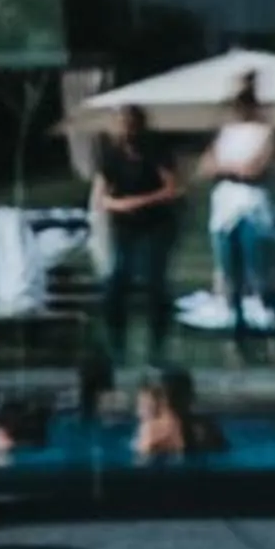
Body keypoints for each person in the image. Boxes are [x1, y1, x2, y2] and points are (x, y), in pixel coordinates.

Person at [96, 106, 184, 368]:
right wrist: (117, 205)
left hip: (155, 226)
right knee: (115, 285)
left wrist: (139, 201)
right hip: (125, 228)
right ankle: (117, 346)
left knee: (155, 284)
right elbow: (103, 195)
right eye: (123, 125)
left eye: (131, 124)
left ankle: (157, 347)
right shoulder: (111, 155)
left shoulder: (156, 152)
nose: (127, 130)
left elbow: (172, 188)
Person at [197, 73, 275, 348]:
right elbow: (206, 166)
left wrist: (227, 168)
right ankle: (236, 325)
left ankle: (268, 322)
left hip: (251, 206)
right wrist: (231, 168)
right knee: (229, 268)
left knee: (256, 265)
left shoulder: (265, 131)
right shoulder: (225, 133)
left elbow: (254, 168)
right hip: (224, 207)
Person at [132, 365, 226, 462]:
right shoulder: (208, 429)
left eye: (141, 403)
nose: (138, 411)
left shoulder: (150, 432)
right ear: (190, 398)